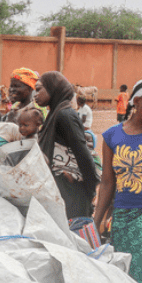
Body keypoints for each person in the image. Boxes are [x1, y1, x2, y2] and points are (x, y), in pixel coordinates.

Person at [95, 78, 142, 283]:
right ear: (137, 101)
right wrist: (97, 220)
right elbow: (107, 182)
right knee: (125, 279)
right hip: (122, 218)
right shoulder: (112, 136)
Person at [36, 71, 99, 219]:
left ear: (53, 89)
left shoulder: (65, 115)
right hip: (60, 191)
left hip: (70, 192)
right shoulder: (54, 114)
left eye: (39, 89)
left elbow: (83, 155)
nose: (35, 94)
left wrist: (90, 190)